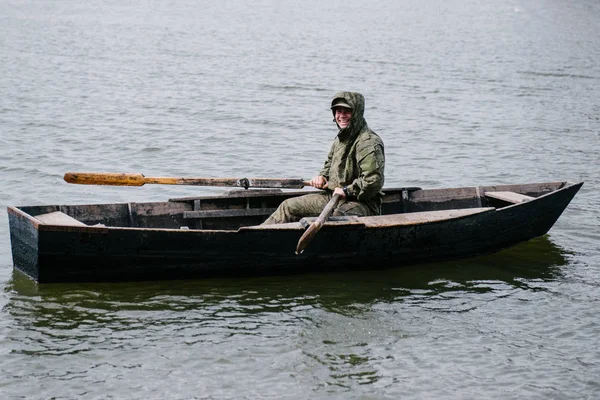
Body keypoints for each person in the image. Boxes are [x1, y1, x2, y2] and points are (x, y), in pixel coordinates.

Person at [262, 91, 385, 225]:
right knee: (288, 207)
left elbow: (373, 181)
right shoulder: (340, 139)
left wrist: (346, 191)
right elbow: (328, 167)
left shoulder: (368, 142)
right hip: (332, 197)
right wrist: (322, 177)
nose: (341, 116)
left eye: (347, 111)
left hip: (362, 203)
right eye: (338, 111)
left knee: (338, 218)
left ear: (356, 113)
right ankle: (256, 236)